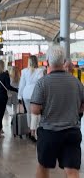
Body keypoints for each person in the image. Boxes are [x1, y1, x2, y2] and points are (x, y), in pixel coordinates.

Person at [31, 45, 83, 178]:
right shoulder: (76, 82)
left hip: (49, 133)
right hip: (72, 132)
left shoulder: (42, 83)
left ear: (47, 61)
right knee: (72, 171)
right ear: (64, 61)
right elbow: (82, 107)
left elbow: (35, 110)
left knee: (43, 167)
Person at [0, 60, 18, 137]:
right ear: (2, 66)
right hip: (2, 96)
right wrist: (16, 90)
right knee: (0, 113)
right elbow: (8, 86)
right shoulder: (5, 75)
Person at [18, 55, 43, 142]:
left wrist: (19, 96)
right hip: (35, 94)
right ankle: (33, 132)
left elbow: (21, 85)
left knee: (29, 113)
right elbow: (40, 84)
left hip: (26, 94)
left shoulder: (24, 71)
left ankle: (29, 130)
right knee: (35, 114)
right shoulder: (40, 71)